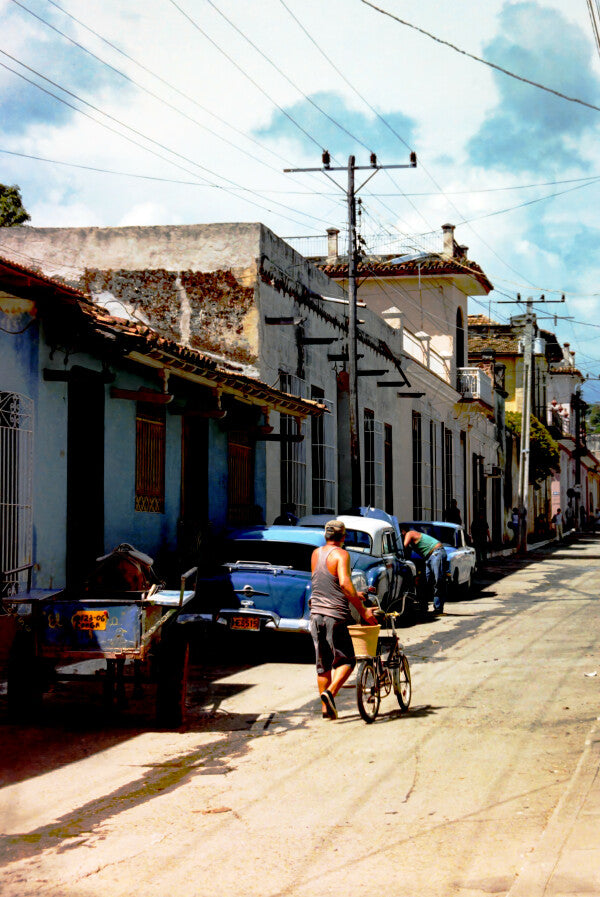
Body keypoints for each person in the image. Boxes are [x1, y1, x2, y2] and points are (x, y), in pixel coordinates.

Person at [309, 519, 378, 720]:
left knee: (323, 664)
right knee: (347, 658)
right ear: (343, 537)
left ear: (325, 536)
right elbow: (345, 585)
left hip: (316, 615)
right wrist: (363, 610)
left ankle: (326, 710)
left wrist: (358, 594)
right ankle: (330, 693)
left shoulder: (315, 554)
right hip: (335, 615)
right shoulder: (342, 554)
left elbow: (327, 582)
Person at [401, 526, 449, 614]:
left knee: (438, 581)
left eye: (400, 534)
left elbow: (403, 547)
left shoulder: (409, 533)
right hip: (429, 556)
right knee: (426, 581)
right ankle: (424, 606)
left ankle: (438, 608)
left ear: (403, 531)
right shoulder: (413, 540)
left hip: (436, 553)